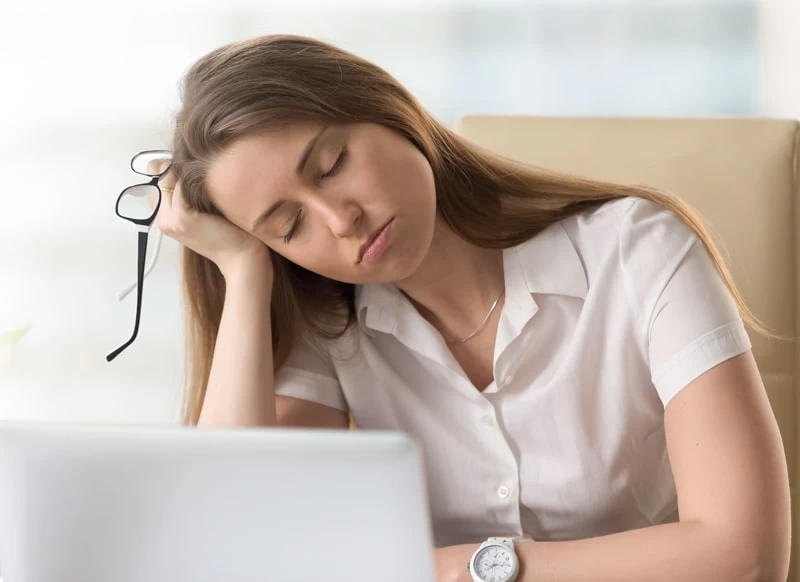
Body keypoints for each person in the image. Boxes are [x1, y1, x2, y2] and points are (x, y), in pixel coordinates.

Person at [153, 34, 790, 582]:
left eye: (332, 164)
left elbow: (745, 557)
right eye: (290, 226)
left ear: (385, 107)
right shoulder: (330, 321)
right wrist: (244, 271)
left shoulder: (638, 250)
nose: (341, 220)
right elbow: (229, 543)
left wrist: (465, 570)